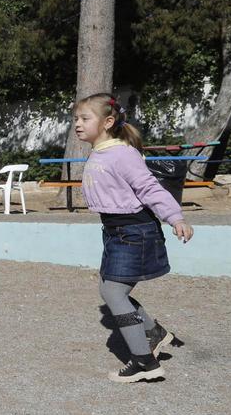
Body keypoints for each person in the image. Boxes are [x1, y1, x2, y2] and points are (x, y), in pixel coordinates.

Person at [74, 93, 192, 383]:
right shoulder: (101, 151)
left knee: (114, 293)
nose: (77, 124)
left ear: (108, 122)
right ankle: (154, 332)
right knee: (109, 289)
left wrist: (175, 217)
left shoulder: (122, 153)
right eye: (76, 119)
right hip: (116, 231)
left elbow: (149, 187)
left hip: (134, 231)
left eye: (85, 118)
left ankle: (144, 362)